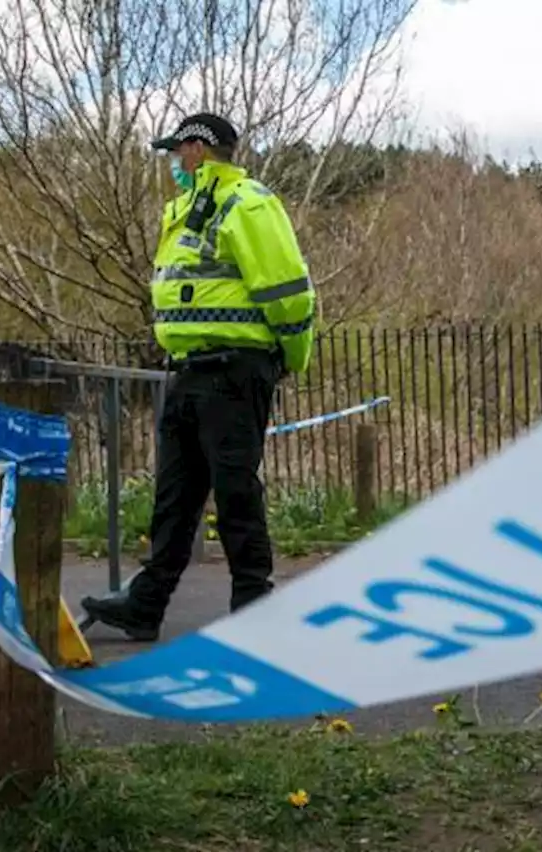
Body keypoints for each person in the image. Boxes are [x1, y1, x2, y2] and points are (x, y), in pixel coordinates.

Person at [81, 113, 316, 641]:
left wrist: (289, 358)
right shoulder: (185, 211)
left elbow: (289, 294)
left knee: (235, 494)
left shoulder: (248, 202)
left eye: (175, 152)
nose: (172, 163)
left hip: (234, 371)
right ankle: (146, 604)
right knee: (175, 498)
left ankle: (255, 610)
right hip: (185, 372)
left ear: (196, 149)